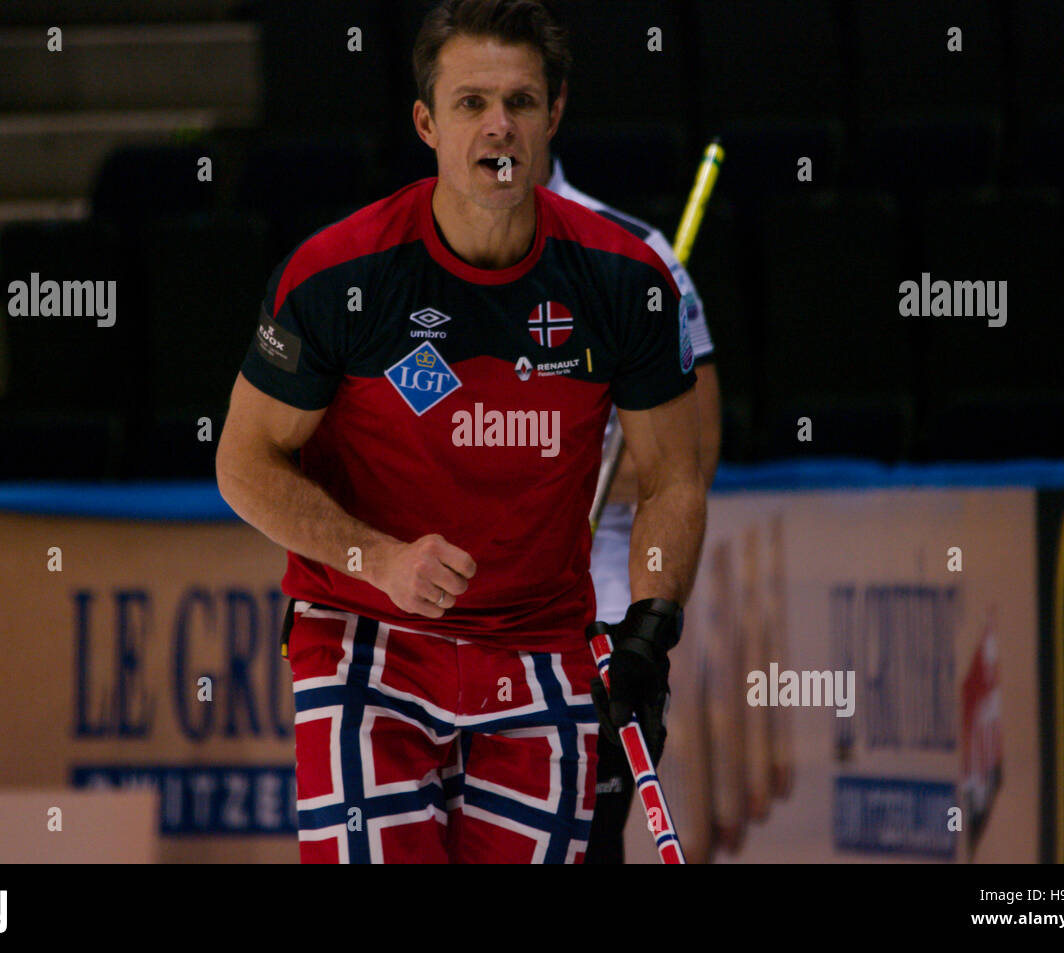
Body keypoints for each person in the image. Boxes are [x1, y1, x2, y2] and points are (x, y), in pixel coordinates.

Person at [216, 0, 705, 864]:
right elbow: (244, 462)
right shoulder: (339, 273)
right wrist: (378, 559)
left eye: (521, 101)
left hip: (541, 642)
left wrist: (650, 633)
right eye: (472, 102)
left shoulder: (626, 279)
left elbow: (671, 475)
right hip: (365, 636)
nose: (499, 126)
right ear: (426, 122)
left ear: (555, 114)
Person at [544, 155, 721, 863]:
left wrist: (554, 475)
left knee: (586, 843)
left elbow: (692, 455)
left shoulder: (636, 257)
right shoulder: (421, 253)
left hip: (601, 614)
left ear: (553, 108)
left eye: (520, 100)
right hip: (469, 624)